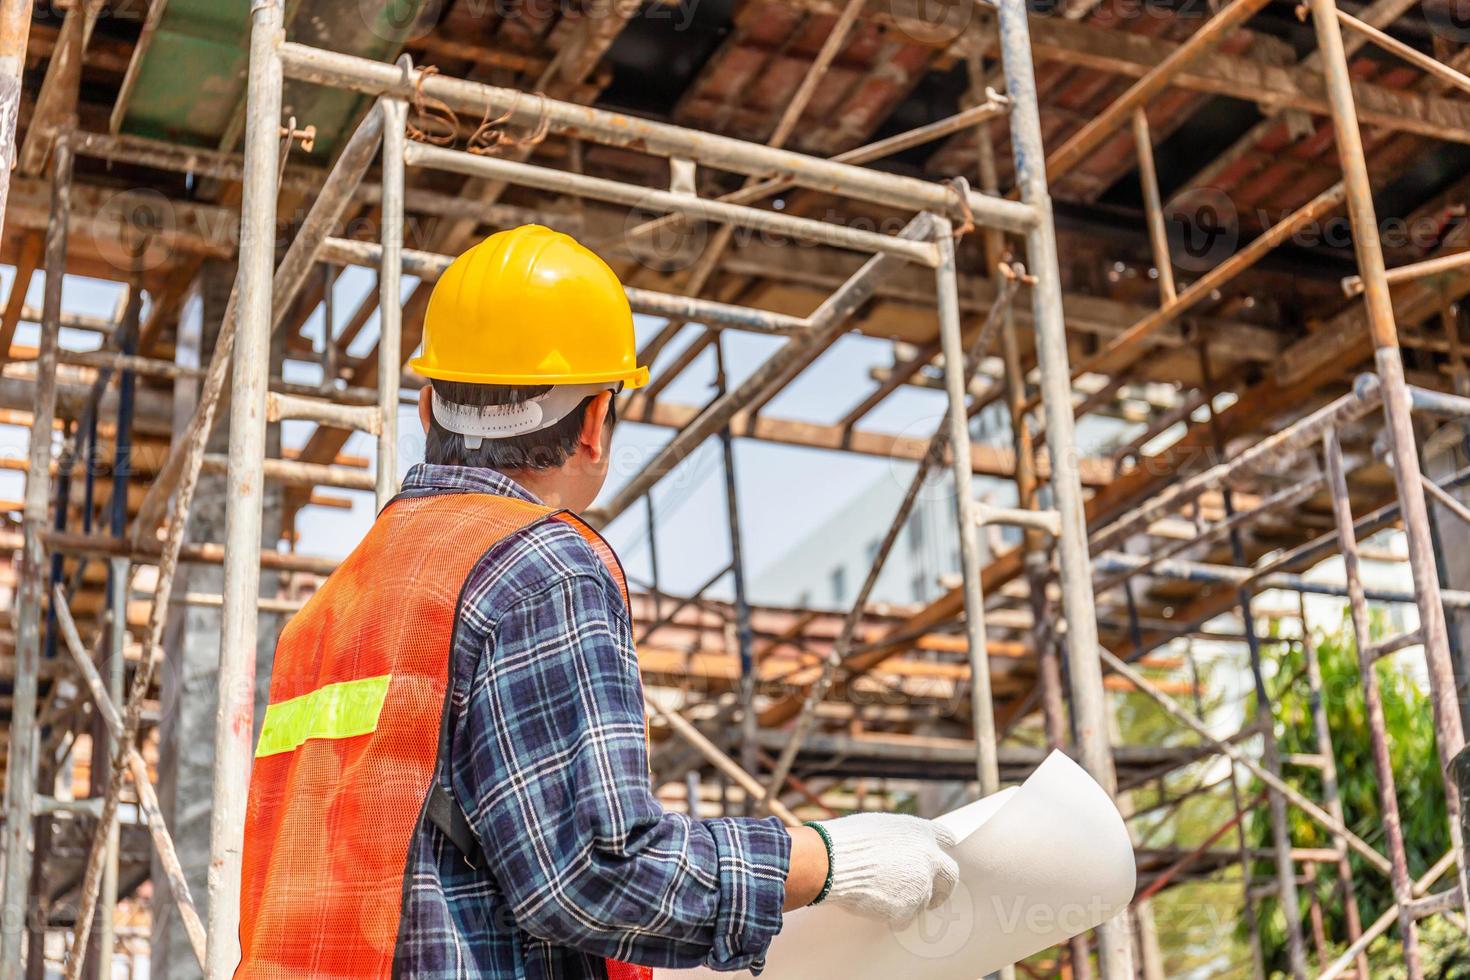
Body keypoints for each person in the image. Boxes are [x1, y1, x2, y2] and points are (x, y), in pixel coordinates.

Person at [234, 225, 959, 979]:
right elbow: (590, 872)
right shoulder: (541, 566)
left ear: (427, 405)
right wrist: (825, 861)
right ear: (591, 423)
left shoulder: (330, 609)